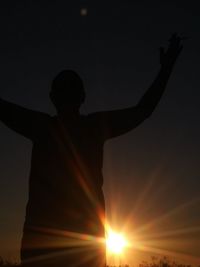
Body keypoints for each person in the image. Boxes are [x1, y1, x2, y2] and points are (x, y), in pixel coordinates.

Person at [0, 34, 182, 267]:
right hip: (82, 247)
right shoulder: (92, 128)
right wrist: (166, 69)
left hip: (44, 247)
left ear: (52, 97)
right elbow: (143, 109)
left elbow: (2, 108)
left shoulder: (42, 127)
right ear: (83, 97)